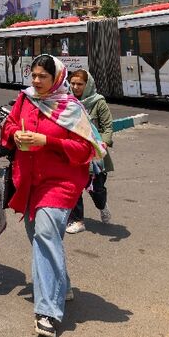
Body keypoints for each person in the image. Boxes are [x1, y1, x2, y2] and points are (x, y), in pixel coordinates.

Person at [1, 55, 106, 337]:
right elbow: (8, 126)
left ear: (56, 78)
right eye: (33, 76)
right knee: (37, 236)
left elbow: (86, 150)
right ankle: (63, 284)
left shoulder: (71, 108)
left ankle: (47, 312)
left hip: (61, 183)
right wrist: (16, 134)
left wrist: (47, 141)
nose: (35, 81)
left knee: (46, 235)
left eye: (42, 77)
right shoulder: (25, 99)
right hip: (30, 182)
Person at [66, 69, 114, 233]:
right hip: (75, 152)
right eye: (73, 83)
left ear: (88, 85)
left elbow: (107, 127)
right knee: (75, 186)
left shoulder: (98, 102)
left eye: (80, 84)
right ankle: (78, 221)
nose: (75, 87)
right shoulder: (68, 101)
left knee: (96, 189)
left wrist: (103, 145)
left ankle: (102, 205)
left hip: (95, 155)